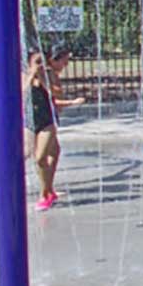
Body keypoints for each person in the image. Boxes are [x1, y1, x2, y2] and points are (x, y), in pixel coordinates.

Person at [23, 48, 85, 211]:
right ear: (29, 63)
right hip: (29, 122)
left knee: (41, 158)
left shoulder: (49, 76)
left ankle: (45, 194)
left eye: (42, 62)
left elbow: (56, 97)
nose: (40, 66)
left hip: (47, 122)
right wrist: (31, 76)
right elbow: (21, 94)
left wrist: (43, 80)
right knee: (31, 153)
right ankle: (48, 189)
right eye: (37, 62)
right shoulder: (25, 76)